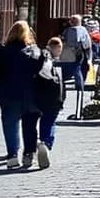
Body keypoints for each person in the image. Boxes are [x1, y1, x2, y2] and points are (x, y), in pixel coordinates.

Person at [0, 21, 44, 169]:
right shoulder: (36, 51)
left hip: (9, 93)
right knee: (30, 125)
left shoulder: (2, 51)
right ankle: (29, 154)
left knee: (10, 124)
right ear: (28, 34)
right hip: (32, 95)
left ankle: (12, 155)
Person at [35, 37, 65, 169]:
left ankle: (39, 144)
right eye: (60, 50)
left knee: (40, 120)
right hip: (51, 96)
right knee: (50, 120)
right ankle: (45, 142)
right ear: (56, 48)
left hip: (37, 95)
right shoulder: (49, 60)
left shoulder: (39, 55)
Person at [58, 15, 92, 93]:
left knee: (70, 68)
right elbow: (86, 43)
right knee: (78, 68)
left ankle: (62, 85)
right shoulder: (82, 30)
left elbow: (63, 39)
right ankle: (80, 85)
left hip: (68, 53)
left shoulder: (68, 30)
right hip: (79, 52)